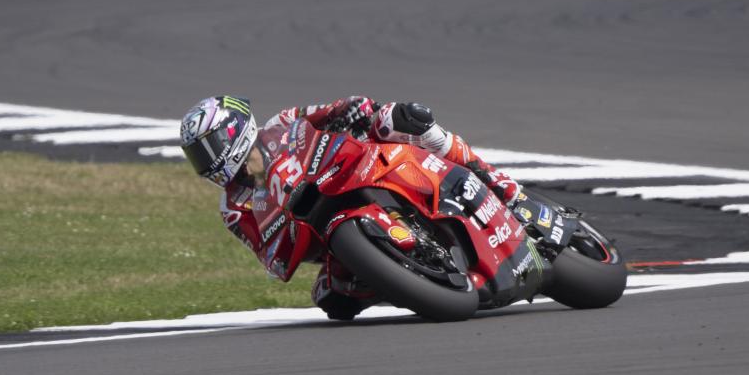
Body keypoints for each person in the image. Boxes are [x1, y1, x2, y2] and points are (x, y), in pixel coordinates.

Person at [179, 95, 522, 320]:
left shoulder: (282, 124)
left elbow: (335, 109)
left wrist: (354, 110)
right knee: (333, 300)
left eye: (210, 147)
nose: (206, 161)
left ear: (234, 130)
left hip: (358, 168)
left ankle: (499, 185)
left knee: (399, 118)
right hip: (323, 233)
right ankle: (417, 275)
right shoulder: (233, 207)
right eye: (198, 156)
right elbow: (271, 258)